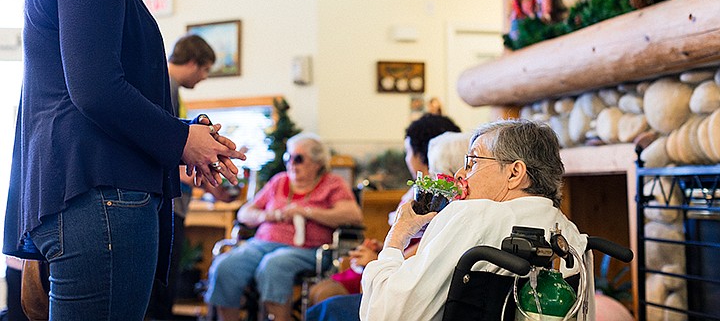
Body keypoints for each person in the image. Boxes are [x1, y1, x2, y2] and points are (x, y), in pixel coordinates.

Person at [3, 0, 244, 320]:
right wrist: (180, 140)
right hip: (102, 200)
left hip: (83, 197)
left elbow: (75, 98)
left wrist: (186, 139)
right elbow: (95, 90)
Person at [359, 119, 587, 321]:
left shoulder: (473, 214)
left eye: (472, 162)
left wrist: (397, 237)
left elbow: (386, 314)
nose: (460, 174)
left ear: (514, 173)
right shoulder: (571, 235)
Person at [305, 115, 463, 321]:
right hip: (396, 265)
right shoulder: (430, 196)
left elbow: (421, 256)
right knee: (320, 292)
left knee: (327, 301)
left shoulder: (447, 205)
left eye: (408, 151)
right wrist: (384, 249)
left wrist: (381, 256)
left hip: (405, 289)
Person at [204, 133, 363, 321]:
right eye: (288, 157)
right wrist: (268, 215)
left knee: (274, 265)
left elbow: (353, 215)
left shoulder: (332, 184)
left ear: (317, 162)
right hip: (262, 244)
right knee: (226, 265)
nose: (291, 163)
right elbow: (245, 213)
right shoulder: (279, 181)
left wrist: (308, 212)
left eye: (299, 159)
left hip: (306, 249)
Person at [147, 34, 234, 320]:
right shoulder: (166, 86)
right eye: (206, 69)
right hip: (168, 205)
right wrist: (210, 173)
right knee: (162, 287)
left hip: (173, 202)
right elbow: (167, 151)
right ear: (194, 62)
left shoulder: (167, 86)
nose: (204, 77)